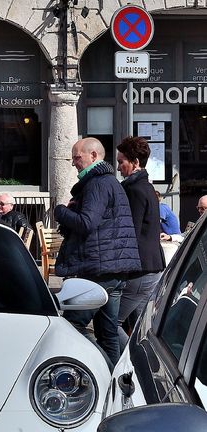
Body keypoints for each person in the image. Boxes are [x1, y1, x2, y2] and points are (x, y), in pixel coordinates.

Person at [55, 137, 141, 368]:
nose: (74, 163)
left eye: (77, 157)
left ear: (93, 156)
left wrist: (61, 211)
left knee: (72, 327)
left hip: (98, 269)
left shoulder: (98, 184)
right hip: (111, 270)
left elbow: (86, 223)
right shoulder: (108, 182)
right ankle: (114, 382)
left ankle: (92, 369)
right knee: (108, 332)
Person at [116, 136, 166, 350]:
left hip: (140, 269)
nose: (119, 168)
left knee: (108, 323)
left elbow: (130, 233)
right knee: (139, 329)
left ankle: (129, 365)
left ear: (135, 162)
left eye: (121, 162)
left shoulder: (134, 190)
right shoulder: (146, 187)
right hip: (151, 267)